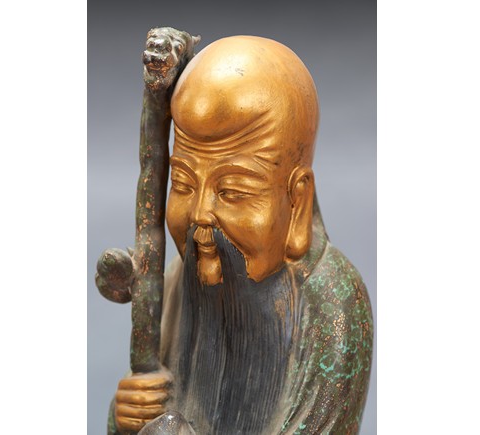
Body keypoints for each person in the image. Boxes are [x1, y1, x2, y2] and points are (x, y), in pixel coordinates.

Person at [105, 34, 372, 435]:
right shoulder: (179, 280)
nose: (200, 214)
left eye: (233, 191)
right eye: (183, 184)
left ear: (297, 202)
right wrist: (125, 414)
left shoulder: (333, 303)